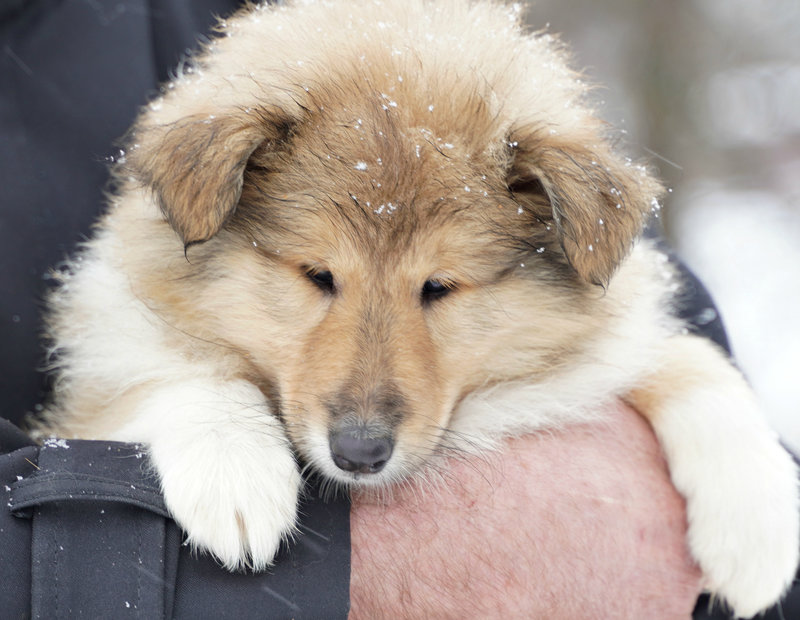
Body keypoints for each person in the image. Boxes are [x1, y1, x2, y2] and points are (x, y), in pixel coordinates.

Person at [0, 1, 795, 617]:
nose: (365, 402)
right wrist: (194, 409)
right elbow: (116, 373)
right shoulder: (183, 220)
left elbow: (630, 334)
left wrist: (700, 400)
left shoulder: (559, 227)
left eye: (438, 289)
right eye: (318, 276)